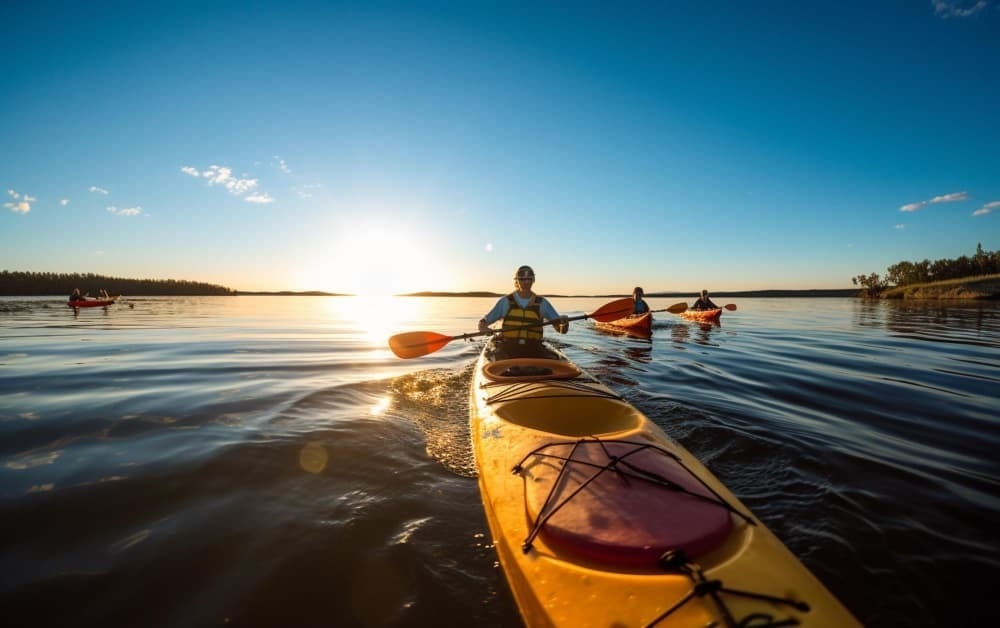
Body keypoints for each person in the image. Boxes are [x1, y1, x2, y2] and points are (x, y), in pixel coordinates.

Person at [478, 265, 569, 359]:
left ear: (533, 280)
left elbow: (561, 330)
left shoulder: (542, 303)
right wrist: (482, 326)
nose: (526, 282)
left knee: (554, 358)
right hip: (508, 348)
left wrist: (564, 324)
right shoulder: (505, 301)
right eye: (522, 279)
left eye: (529, 279)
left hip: (534, 348)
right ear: (516, 280)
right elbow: (484, 322)